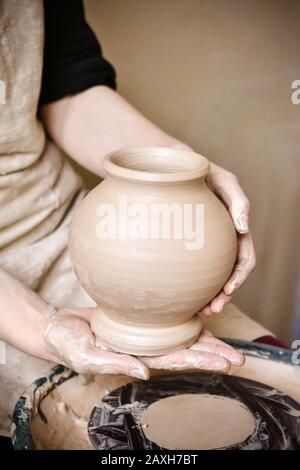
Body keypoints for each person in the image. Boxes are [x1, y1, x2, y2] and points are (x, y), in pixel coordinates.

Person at [0, 0, 255, 431]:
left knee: (249, 381)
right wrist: (42, 325)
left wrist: (185, 168)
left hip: (65, 229)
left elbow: (68, 83)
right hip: (28, 288)